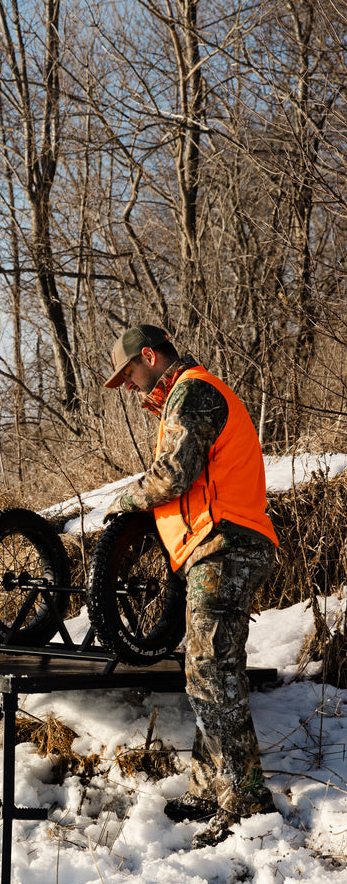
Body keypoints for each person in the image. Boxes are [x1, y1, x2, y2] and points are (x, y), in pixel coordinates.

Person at [103, 323, 278, 848]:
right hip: (216, 545)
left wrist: (127, 500)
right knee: (213, 665)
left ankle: (246, 799)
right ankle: (209, 786)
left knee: (207, 668)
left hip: (225, 544)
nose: (130, 387)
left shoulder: (194, 391)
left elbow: (173, 476)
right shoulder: (189, 396)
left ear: (150, 357)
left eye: (130, 374)